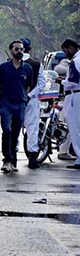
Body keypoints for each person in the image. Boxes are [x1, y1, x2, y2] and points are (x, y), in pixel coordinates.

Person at [0, 40, 32, 173]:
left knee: (15, 133)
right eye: (16, 49)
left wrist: (25, 99)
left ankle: (13, 162)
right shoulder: (4, 68)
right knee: (6, 130)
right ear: (11, 51)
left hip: (20, 104)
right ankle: (6, 160)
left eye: (21, 49)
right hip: (6, 103)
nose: (19, 51)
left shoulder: (27, 68)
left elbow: (28, 87)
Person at [19, 38, 46, 168]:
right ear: (30, 49)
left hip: (15, 100)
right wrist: (30, 95)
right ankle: (32, 158)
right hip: (31, 100)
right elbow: (41, 84)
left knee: (14, 128)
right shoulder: (36, 63)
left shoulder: (11, 62)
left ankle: (11, 158)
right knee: (32, 128)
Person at [56, 38, 80, 170]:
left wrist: (62, 82)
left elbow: (73, 82)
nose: (66, 54)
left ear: (70, 48)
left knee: (75, 128)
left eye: (65, 51)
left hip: (75, 96)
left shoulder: (75, 61)